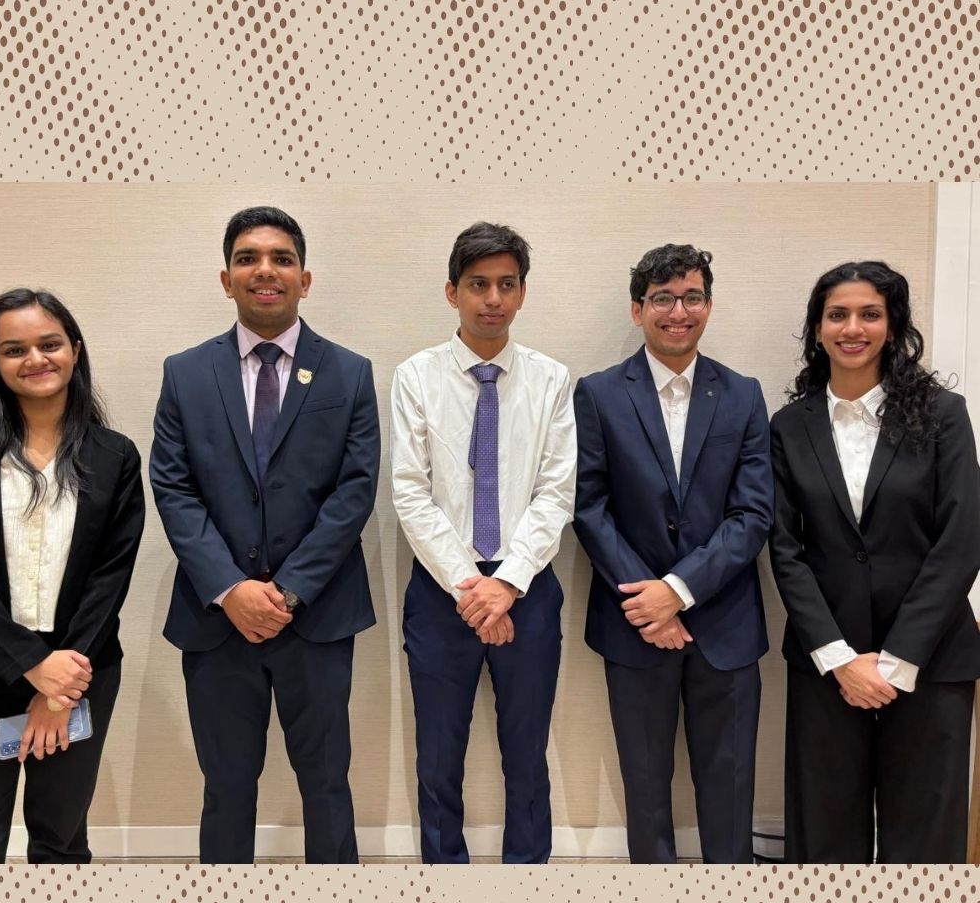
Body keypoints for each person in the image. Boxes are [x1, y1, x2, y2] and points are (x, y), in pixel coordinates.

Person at [150, 206, 380, 864]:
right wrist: (229, 587)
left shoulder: (349, 373)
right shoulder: (187, 374)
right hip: (217, 623)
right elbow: (173, 488)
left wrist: (289, 590)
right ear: (226, 279)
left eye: (281, 258)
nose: (265, 271)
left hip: (318, 615)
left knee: (327, 785)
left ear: (305, 279)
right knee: (226, 787)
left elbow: (353, 492)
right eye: (248, 258)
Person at [0, 288, 145, 863]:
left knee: (60, 843)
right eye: (14, 349)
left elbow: (110, 578)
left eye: (49, 344)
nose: (35, 359)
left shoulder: (115, 456)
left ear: (75, 350)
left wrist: (60, 685)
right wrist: (32, 665)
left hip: (79, 671)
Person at [769, 261, 980, 863]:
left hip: (932, 658)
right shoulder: (788, 426)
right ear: (817, 329)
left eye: (870, 314)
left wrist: (897, 661)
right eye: (837, 315)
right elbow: (784, 549)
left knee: (926, 838)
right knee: (825, 834)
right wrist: (839, 659)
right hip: (826, 663)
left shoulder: (944, 414)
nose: (852, 328)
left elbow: (960, 541)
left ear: (893, 325)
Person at [572, 244, 773, 863]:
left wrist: (678, 591)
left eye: (690, 297)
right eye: (662, 298)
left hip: (727, 623)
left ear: (708, 306)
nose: (677, 311)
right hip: (632, 623)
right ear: (638, 310)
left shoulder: (743, 394)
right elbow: (588, 506)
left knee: (730, 785)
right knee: (646, 786)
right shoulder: (599, 393)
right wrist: (647, 600)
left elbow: (753, 512)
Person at [390, 222, 576, 864]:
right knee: (438, 754)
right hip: (444, 591)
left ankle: (528, 870)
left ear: (522, 294)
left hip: (527, 588)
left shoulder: (552, 379)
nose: (492, 298)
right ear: (452, 292)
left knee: (526, 751)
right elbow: (410, 492)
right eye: (478, 284)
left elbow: (557, 493)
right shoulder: (415, 376)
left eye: (506, 284)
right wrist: (471, 585)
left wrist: (508, 584)